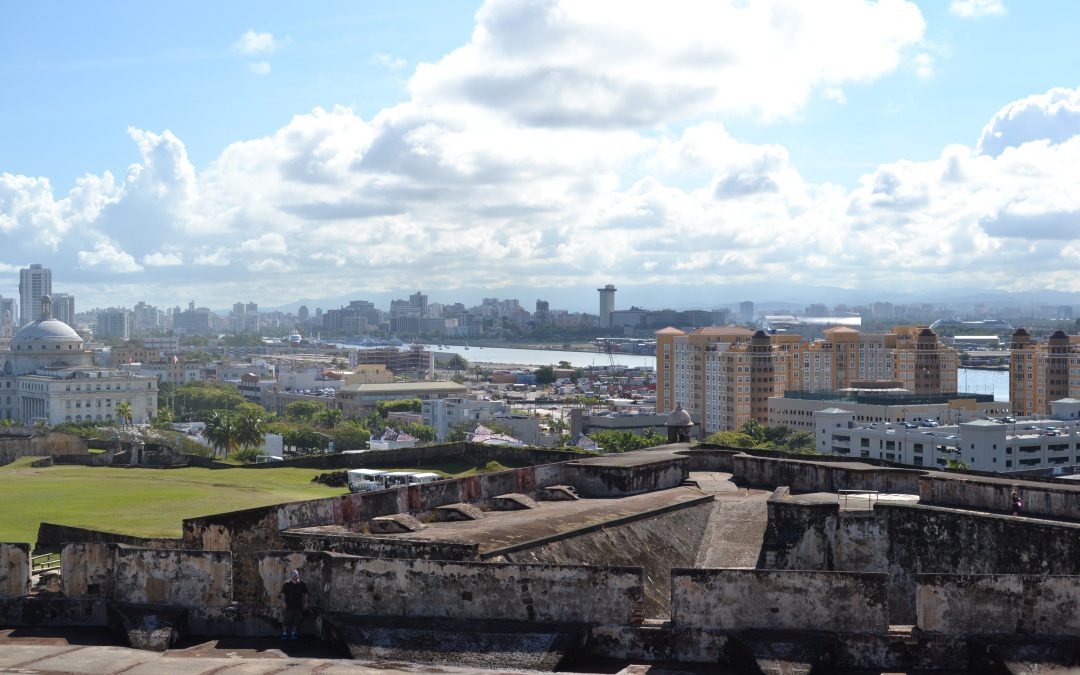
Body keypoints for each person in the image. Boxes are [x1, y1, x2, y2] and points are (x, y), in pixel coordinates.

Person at [279, 569, 308, 640]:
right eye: (293, 574)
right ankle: (284, 634)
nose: (295, 575)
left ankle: (293, 634)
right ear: (291, 575)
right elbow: (283, 594)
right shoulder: (286, 584)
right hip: (289, 606)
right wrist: (283, 603)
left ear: (298, 575)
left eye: (296, 574)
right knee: (286, 621)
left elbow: (306, 593)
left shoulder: (301, 584)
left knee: (296, 621)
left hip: (298, 606)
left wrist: (306, 603)